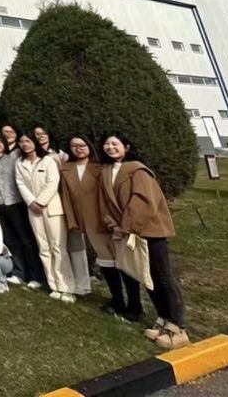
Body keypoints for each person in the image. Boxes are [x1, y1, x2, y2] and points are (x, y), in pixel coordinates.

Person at [99, 134, 187, 349]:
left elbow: (143, 201)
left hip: (150, 230)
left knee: (163, 277)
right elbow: (105, 204)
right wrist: (112, 225)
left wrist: (126, 227)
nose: (110, 147)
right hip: (127, 232)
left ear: (126, 147)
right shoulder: (106, 172)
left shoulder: (138, 171)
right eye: (107, 144)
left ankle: (177, 326)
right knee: (148, 277)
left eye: (115, 144)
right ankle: (162, 319)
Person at [62, 136, 135, 310]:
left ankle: (134, 304)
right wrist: (73, 220)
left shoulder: (101, 168)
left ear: (89, 146)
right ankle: (117, 300)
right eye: (74, 146)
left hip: (107, 220)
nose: (78, 148)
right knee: (106, 262)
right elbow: (66, 198)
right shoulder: (66, 169)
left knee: (124, 262)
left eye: (82, 145)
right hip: (89, 223)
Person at [16, 130, 76, 302]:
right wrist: (32, 203)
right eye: (22, 141)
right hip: (33, 210)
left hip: (51, 209)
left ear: (35, 142)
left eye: (28, 141)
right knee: (43, 248)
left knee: (58, 247)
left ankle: (66, 287)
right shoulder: (19, 163)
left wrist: (41, 202)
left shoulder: (48, 160)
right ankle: (54, 285)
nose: (25, 144)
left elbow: (53, 183)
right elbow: (20, 184)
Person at [0, 132, 44, 289]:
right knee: (11, 241)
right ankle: (19, 273)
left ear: (4, 143)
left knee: (26, 241)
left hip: (15, 204)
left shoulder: (14, 159)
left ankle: (35, 275)